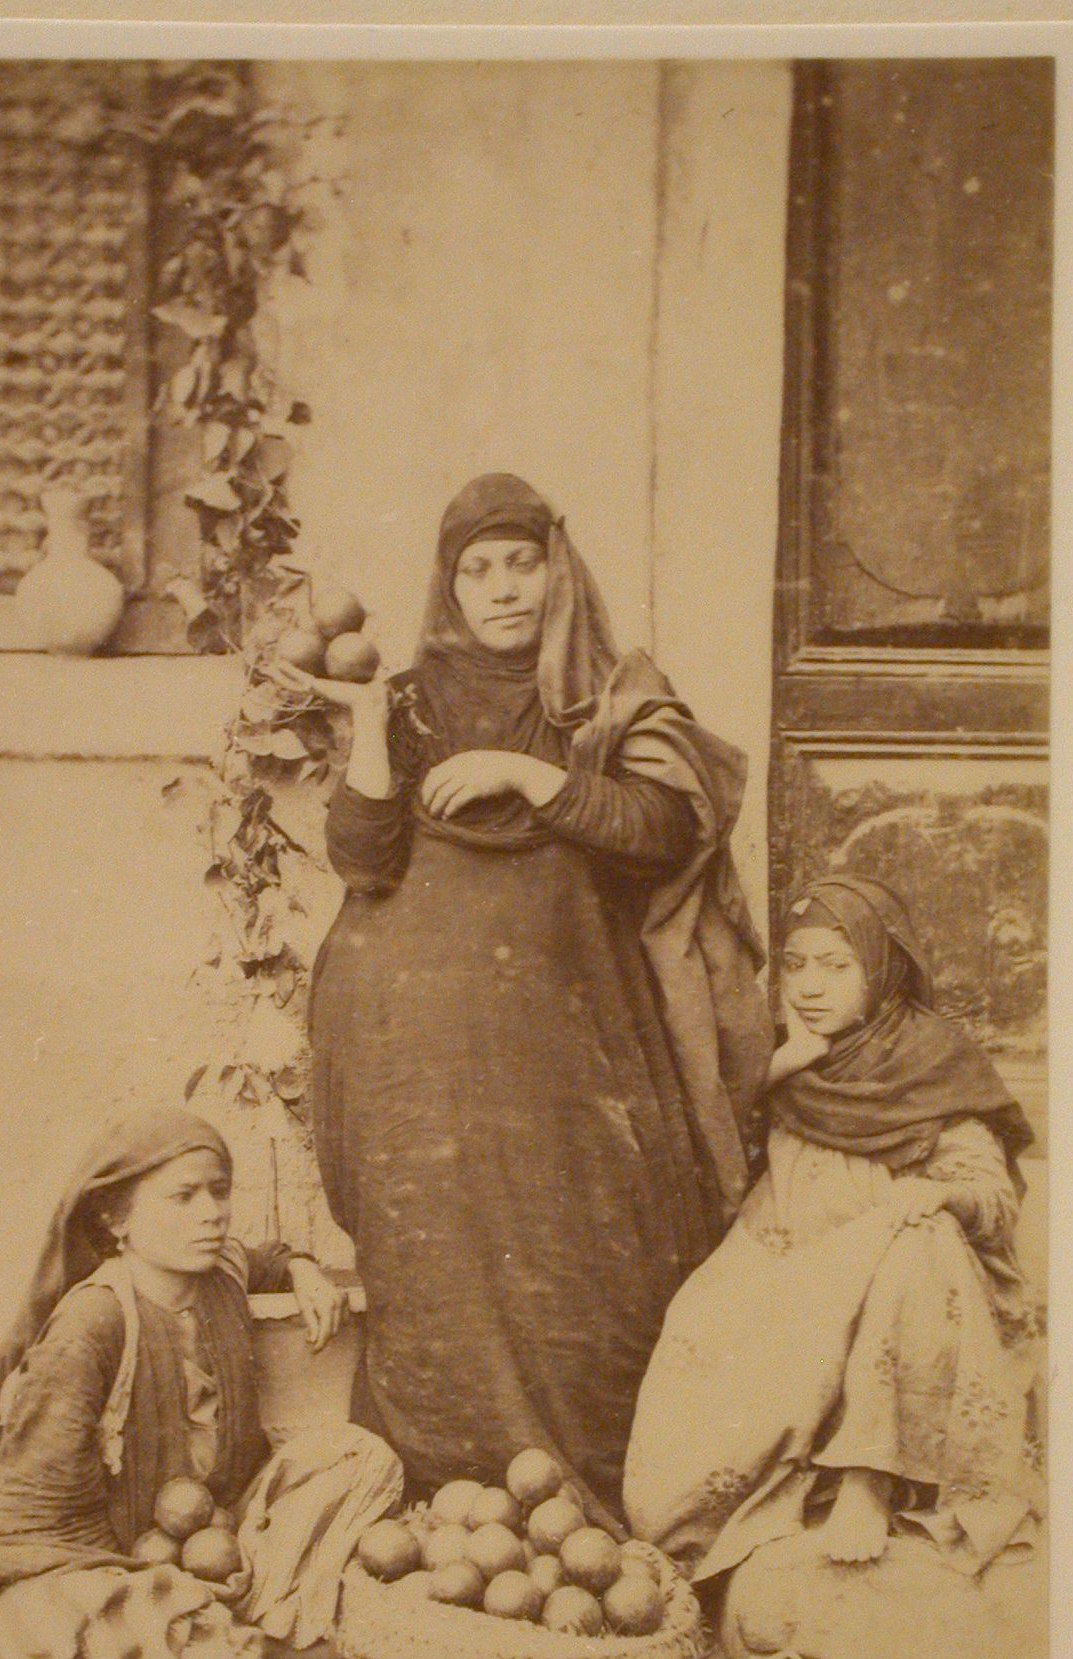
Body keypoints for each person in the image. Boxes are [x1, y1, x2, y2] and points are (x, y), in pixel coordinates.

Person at [284, 473, 773, 1525]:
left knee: (591, 1255)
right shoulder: (411, 697)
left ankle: (585, 1500)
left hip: (569, 1037)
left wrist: (531, 774)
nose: (502, 588)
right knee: (440, 1259)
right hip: (418, 1051)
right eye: (477, 568)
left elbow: (662, 828)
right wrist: (369, 722)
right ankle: (445, 1503)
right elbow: (362, 860)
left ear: (558, 566)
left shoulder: (608, 693)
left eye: (521, 561)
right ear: (447, 583)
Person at [0, 1106, 403, 1659]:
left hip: (221, 1528)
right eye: (184, 1197)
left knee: (361, 1457)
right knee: (82, 1636)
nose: (212, 1213)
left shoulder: (219, 1273)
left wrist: (301, 1266)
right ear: (117, 1220)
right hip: (101, 1556)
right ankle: (249, 1616)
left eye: (219, 1192)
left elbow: (262, 1257)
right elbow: (30, 1519)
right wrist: (139, 1571)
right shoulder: (94, 1323)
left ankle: (217, 1614)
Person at [623, 875, 1041, 1586]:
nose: (810, 986)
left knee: (917, 1244)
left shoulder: (931, 1057)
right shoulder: (785, 1053)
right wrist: (772, 1070)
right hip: (794, 1255)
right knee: (689, 1375)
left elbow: (993, 1198)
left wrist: (939, 1195)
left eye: (836, 966)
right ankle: (769, 1491)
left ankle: (867, 1477)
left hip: (899, 1271)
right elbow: (717, 1155)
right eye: (797, 964)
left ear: (881, 970)